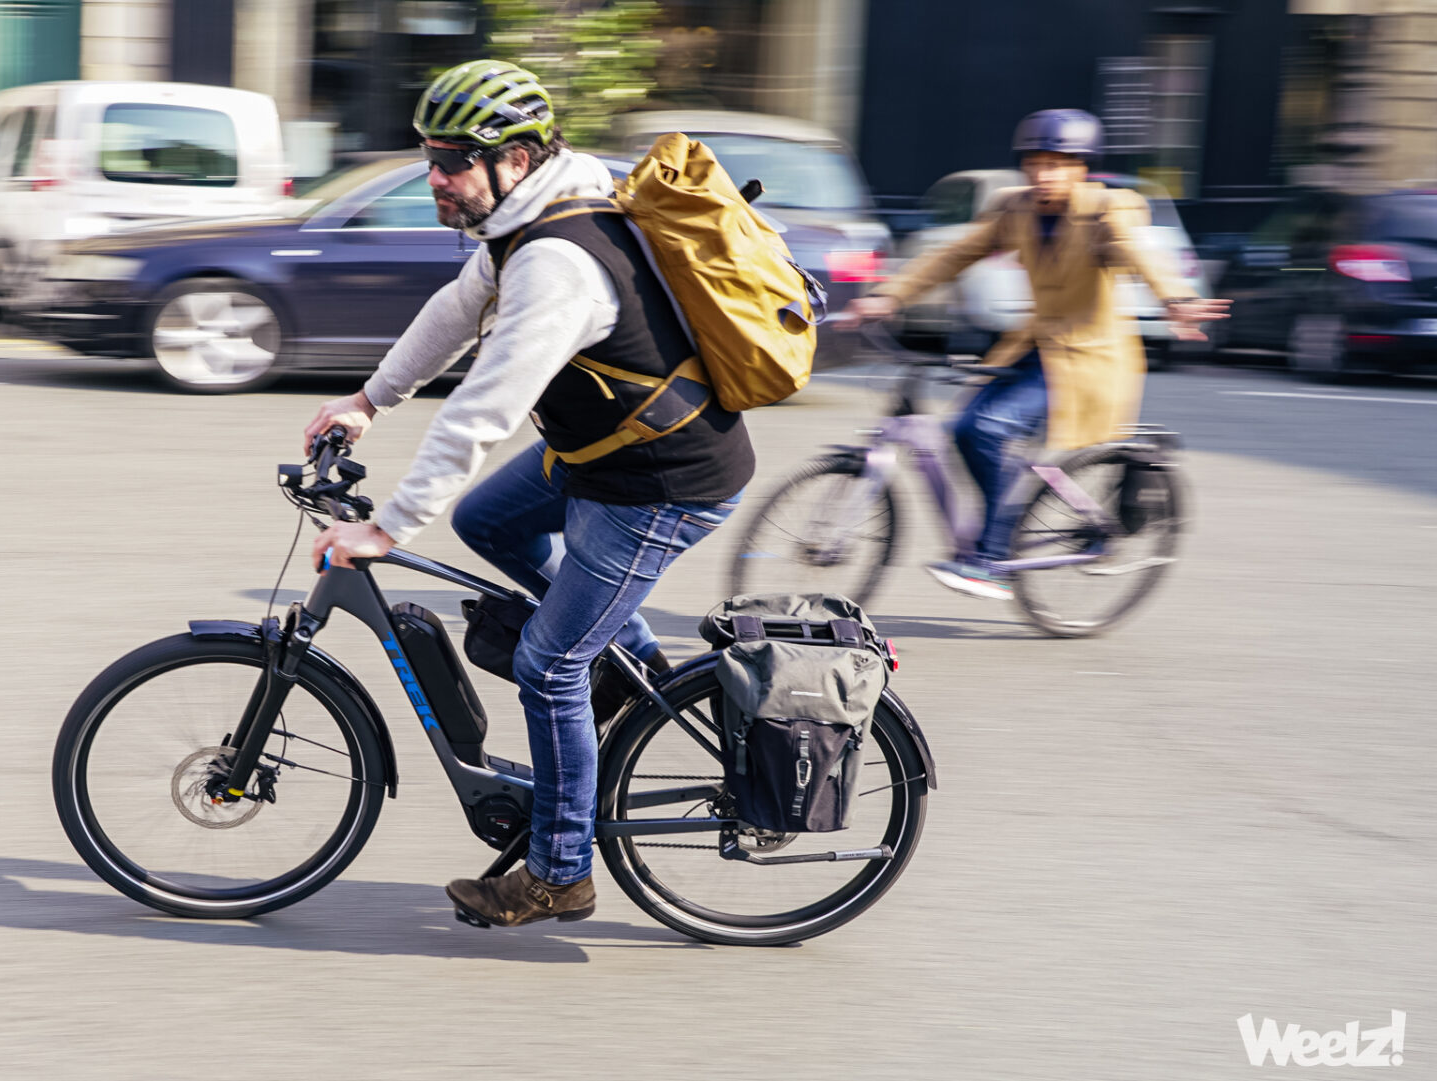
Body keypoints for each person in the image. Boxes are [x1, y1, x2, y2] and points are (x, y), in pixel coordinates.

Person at [301, 59, 753, 927]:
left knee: (550, 666)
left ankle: (559, 871)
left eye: (453, 160)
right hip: (599, 452)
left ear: (512, 156)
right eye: (431, 156)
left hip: (659, 482)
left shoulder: (557, 262)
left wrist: (389, 528)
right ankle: (628, 662)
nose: (435, 176)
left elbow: (487, 405)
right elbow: (454, 309)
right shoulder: (527, 218)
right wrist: (368, 400)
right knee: (487, 520)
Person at [840, 108, 1228, 599]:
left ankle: (995, 556)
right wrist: (889, 296)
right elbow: (954, 254)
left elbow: (1139, 252)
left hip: (1089, 357)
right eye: (1036, 163)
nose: (1045, 174)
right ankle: (997, 530)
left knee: (989, 427)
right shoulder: (1015, 208)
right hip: (1034, 346)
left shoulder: (1110, 210)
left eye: (1059, 163)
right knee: (961, 429)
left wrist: (1177, 299)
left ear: (1082, 167)